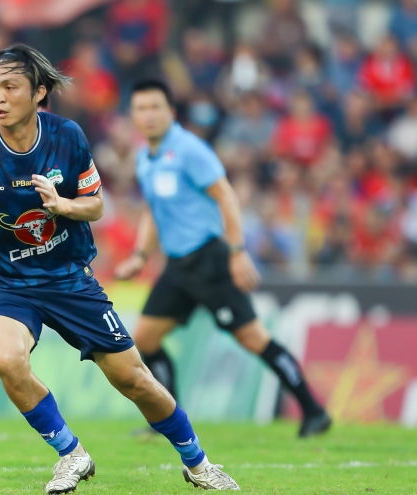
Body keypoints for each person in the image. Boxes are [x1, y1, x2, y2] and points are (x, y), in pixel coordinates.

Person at [0, 44, 239, 493]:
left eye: (11, 87)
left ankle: (198, 464)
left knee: (134, 380)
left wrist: (63, 205)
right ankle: (72, 454)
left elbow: (96, 205)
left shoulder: (67, 137)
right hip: (5, 285)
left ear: (38, 93)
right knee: (4, 356)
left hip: (70, 280)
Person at [115, 79, 332, 439]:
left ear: (171, 112)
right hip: (177, 267)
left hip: (210, 261)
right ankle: (168, 420)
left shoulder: (189, 150)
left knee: (254, 338)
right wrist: (140, 255)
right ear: (133, 115)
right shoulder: (144, 158)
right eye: (141, 108)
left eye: (155, 107)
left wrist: (237, 251)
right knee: (145, 340)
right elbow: (154, 210)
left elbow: (226, 196)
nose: (148, 115)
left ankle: (314, 411)